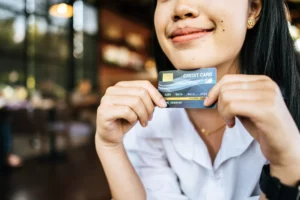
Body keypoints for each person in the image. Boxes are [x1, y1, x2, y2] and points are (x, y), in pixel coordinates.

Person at [95, 0, 300, 200]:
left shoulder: (292, 112)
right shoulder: (144, 122)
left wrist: (287, 165)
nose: (181, 8)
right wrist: (110, 147)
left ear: (253, 9)